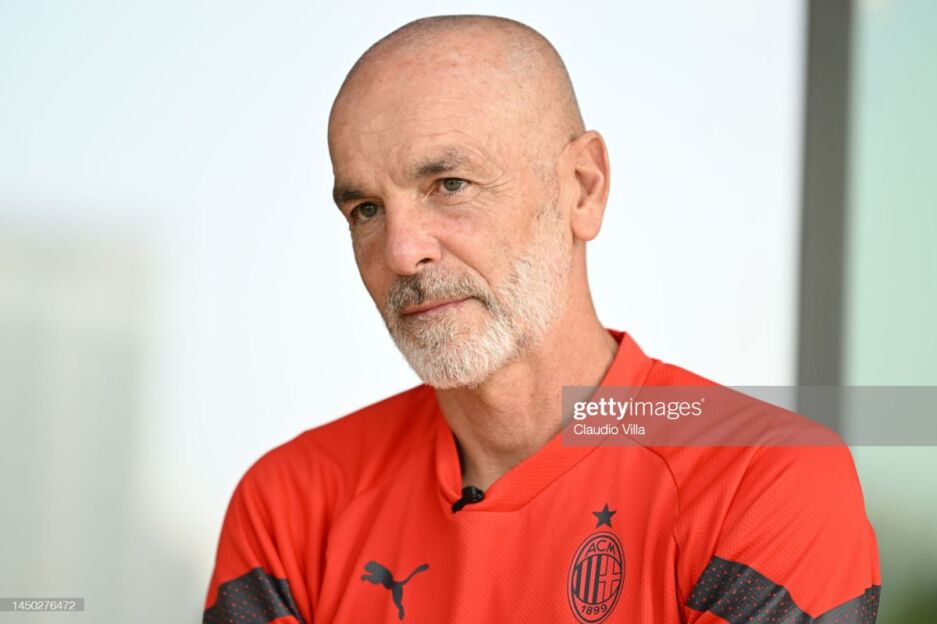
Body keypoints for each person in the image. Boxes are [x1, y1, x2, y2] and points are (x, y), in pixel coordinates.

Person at [203, 15, 880, 623]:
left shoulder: (761, 480)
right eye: (366, 210)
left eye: (450, 185)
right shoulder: (291, 505)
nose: (402, 252)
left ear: (583, 188)